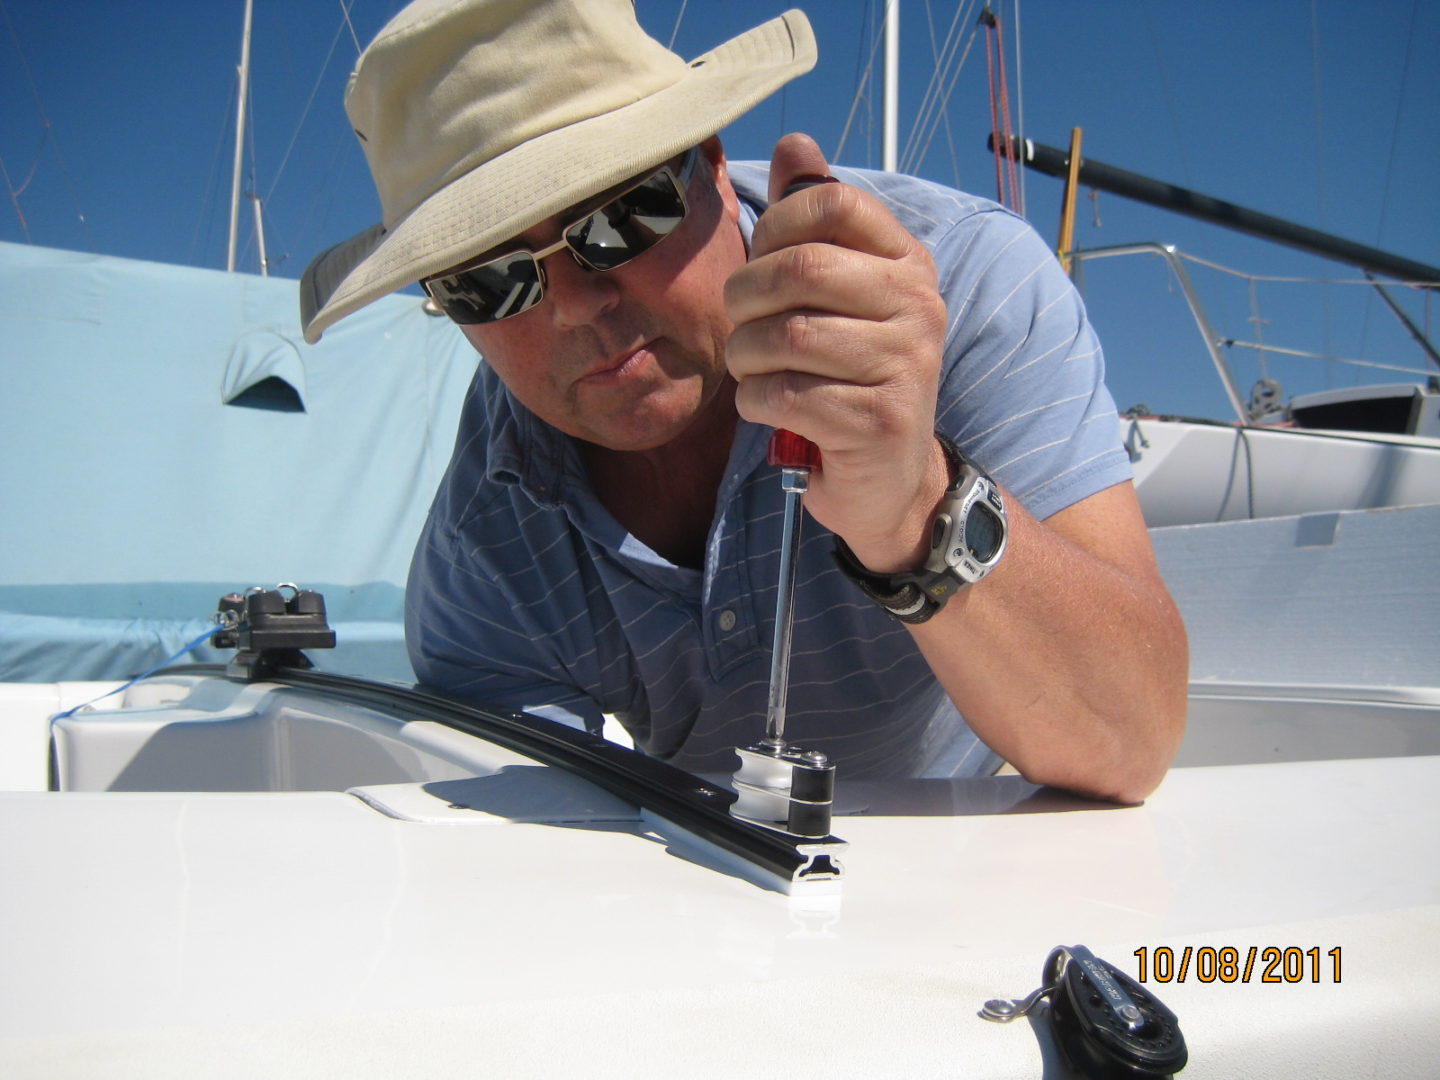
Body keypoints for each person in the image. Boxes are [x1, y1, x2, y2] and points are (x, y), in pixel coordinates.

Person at [300, 0, 1187, 802]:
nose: (576, 309)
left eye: (620, 215)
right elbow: (539, 853)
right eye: (486, 283)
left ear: (715, 169)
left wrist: (915, 503)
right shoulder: (487, 549)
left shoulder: (966, 286)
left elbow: (1131, 741)